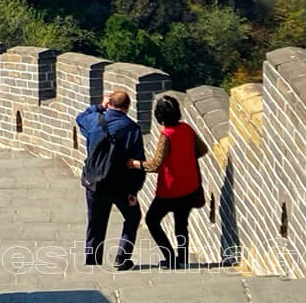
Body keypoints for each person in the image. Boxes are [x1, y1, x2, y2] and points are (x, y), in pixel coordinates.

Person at [132, 94, 209, 269]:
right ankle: (182, 260)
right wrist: (185, 158)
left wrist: (135, 164)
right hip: (189, 186)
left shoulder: (166, 135)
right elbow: (202, 149)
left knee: (152, 220)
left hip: (170, 189)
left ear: (159, 116)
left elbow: (155, 165)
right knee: (181, 224)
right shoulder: (187, 129)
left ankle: (170, 257)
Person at [76, 89, 146, 270]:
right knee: (133, 216)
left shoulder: (94, 120)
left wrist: (100, 106)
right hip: (120, 185)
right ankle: (122, 257)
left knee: (95, 222)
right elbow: (138, 162)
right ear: (127, 107)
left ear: (110, 104)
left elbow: (80, 117)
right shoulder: (132, 128)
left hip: (94, 183)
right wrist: (134, 190)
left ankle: (92, 262)